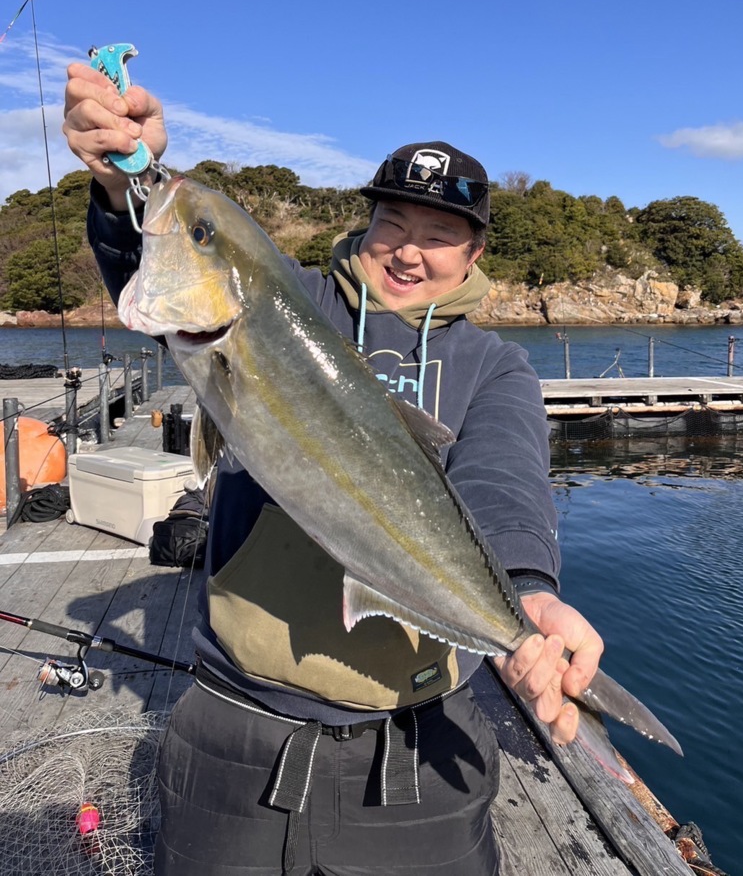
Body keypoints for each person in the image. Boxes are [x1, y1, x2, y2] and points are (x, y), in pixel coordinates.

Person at [63, 64, 604, 876]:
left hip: (415, 747)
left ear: (476, 250)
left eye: (440, 233)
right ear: (366, 223)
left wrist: (528, 594)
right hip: (235, 721)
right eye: (392, 222)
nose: (409, 252)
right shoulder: (297, 302)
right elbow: (151, 262)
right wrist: (121, 184)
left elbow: (503, 485)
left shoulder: (494, 367)